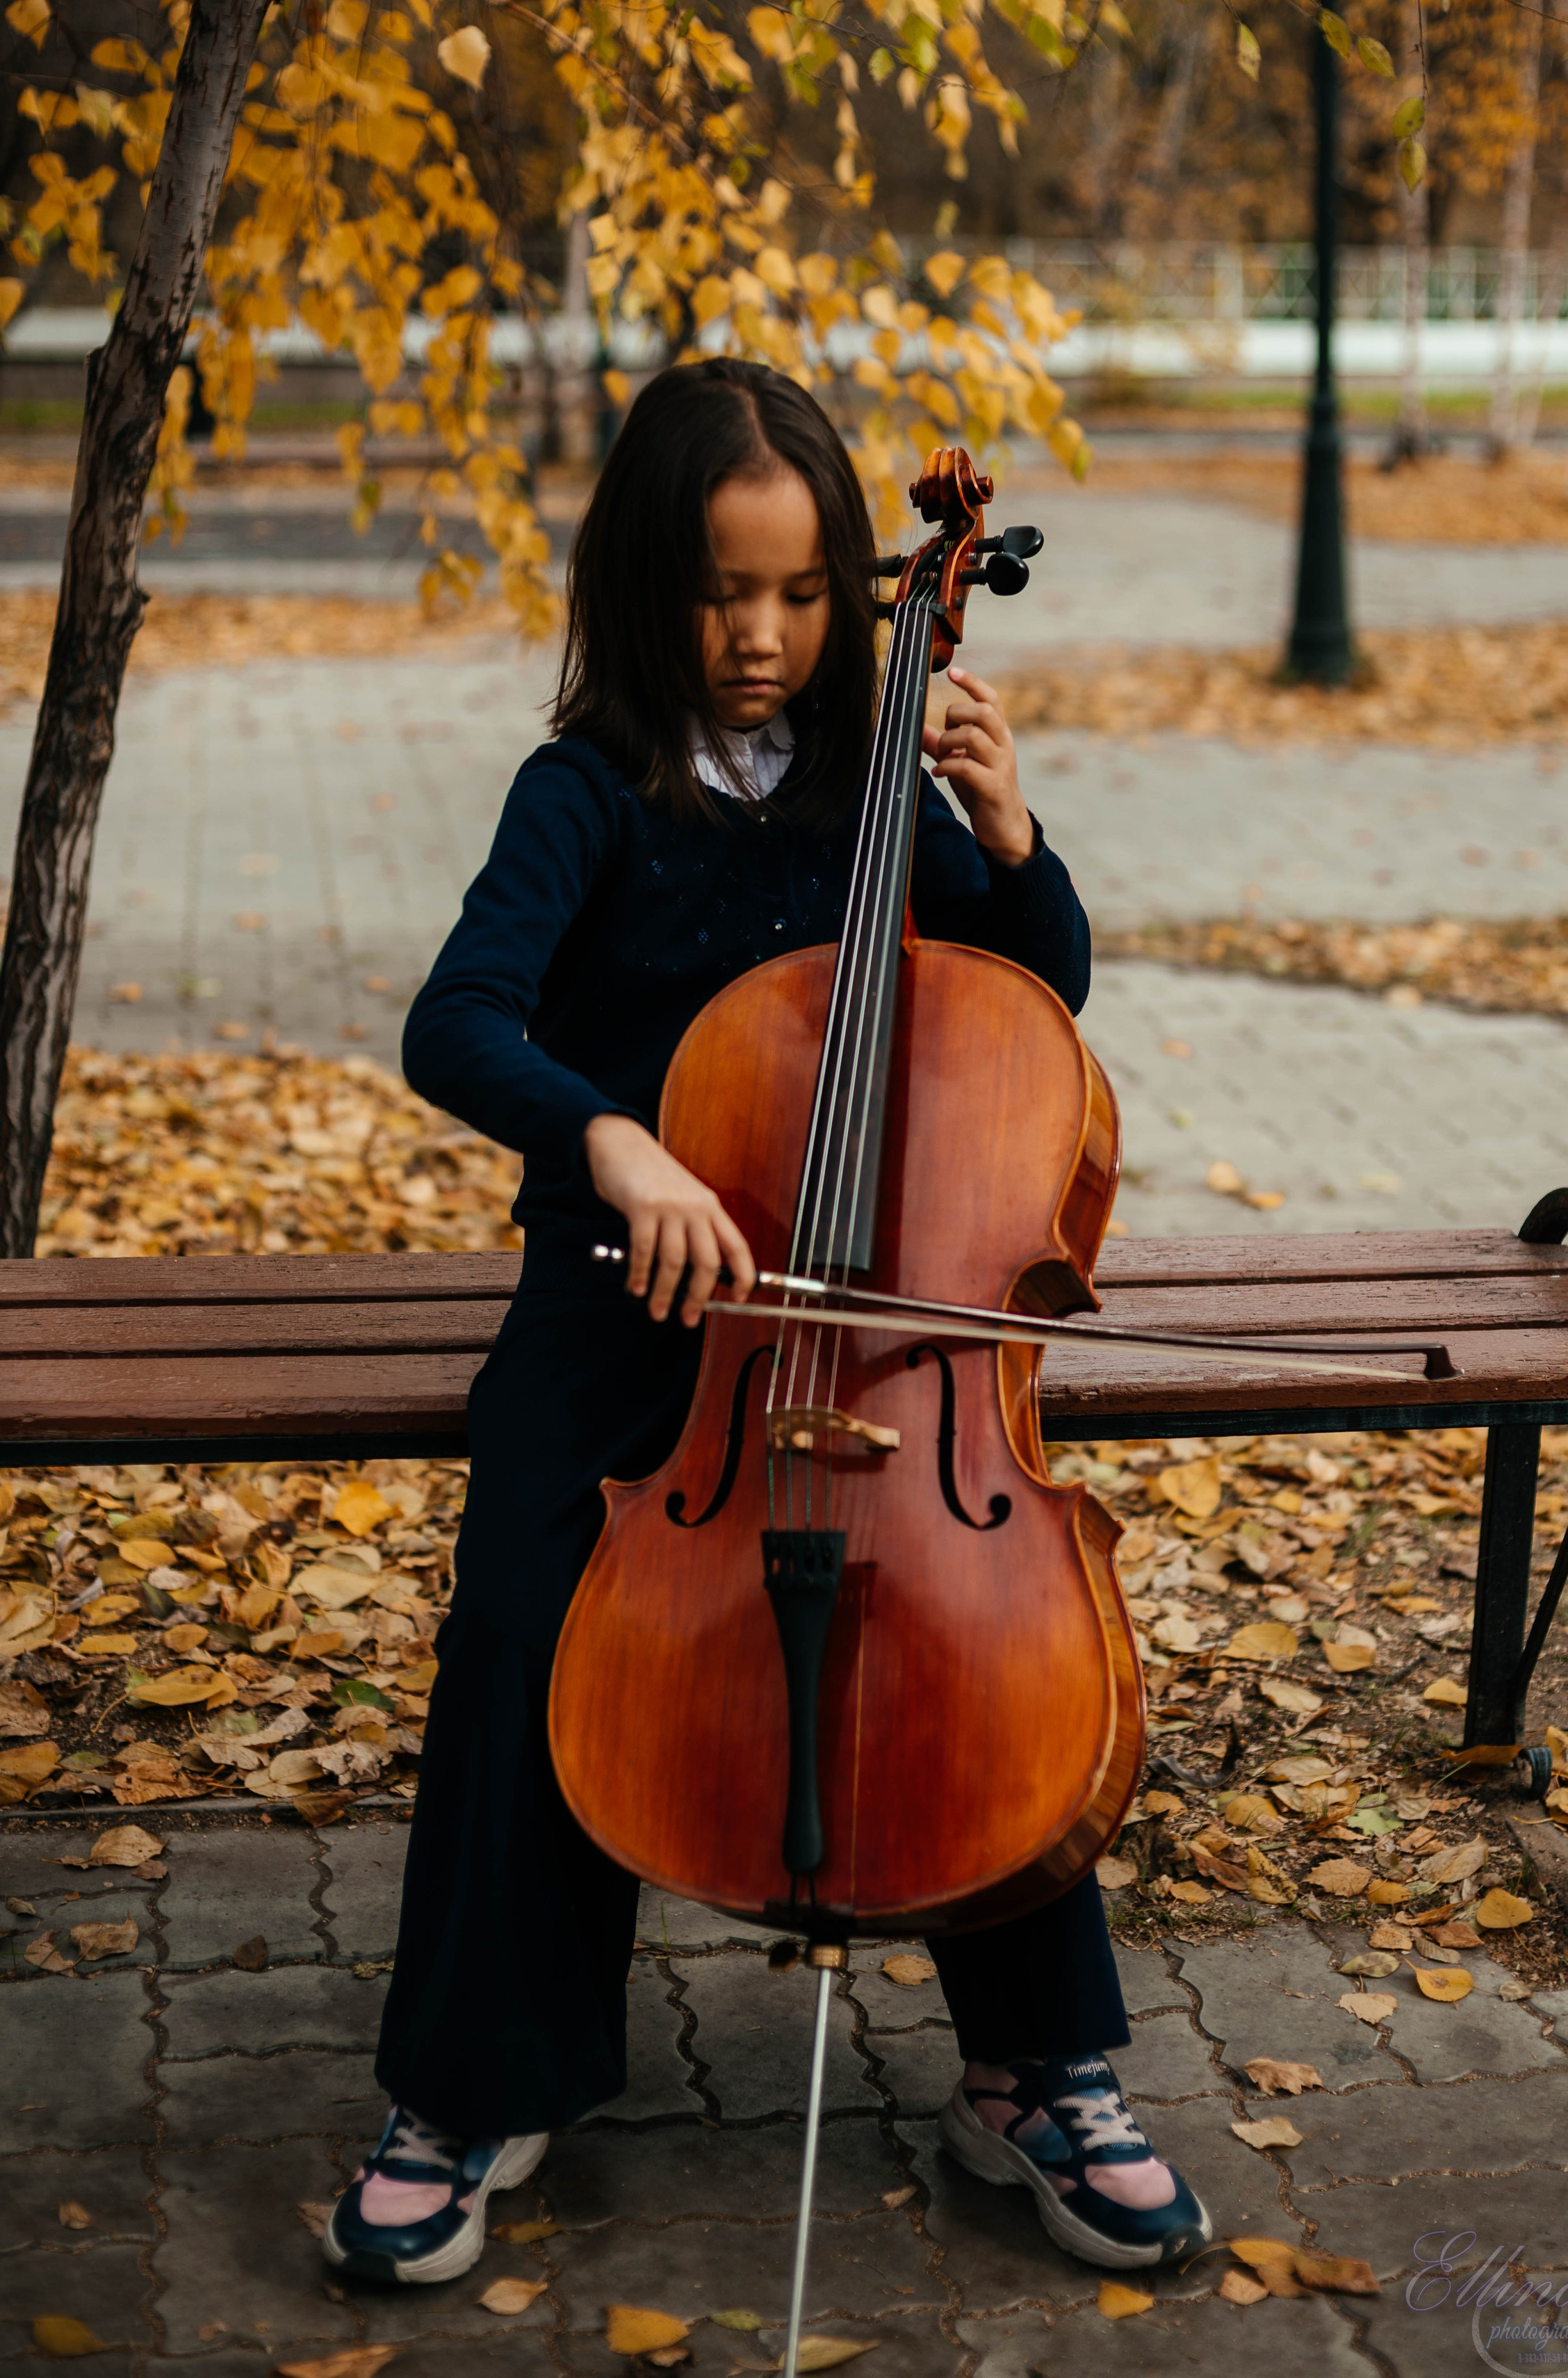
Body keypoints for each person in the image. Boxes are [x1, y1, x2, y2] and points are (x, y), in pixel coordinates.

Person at [322, 359, 1212, 2288]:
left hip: (878, 1334)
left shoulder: (872, 779)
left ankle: (1038, 2066)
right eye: (725, 594)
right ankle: (480, 2076)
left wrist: (1011, 831)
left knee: (976, 1632)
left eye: (806, 595)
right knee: (524, 1618)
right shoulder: (583, 796)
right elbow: (459, 1019)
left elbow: (1034, 1007)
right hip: (627, 1313)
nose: (761, 636)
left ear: (858, 596)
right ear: (645, 586)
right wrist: (617, 1142)